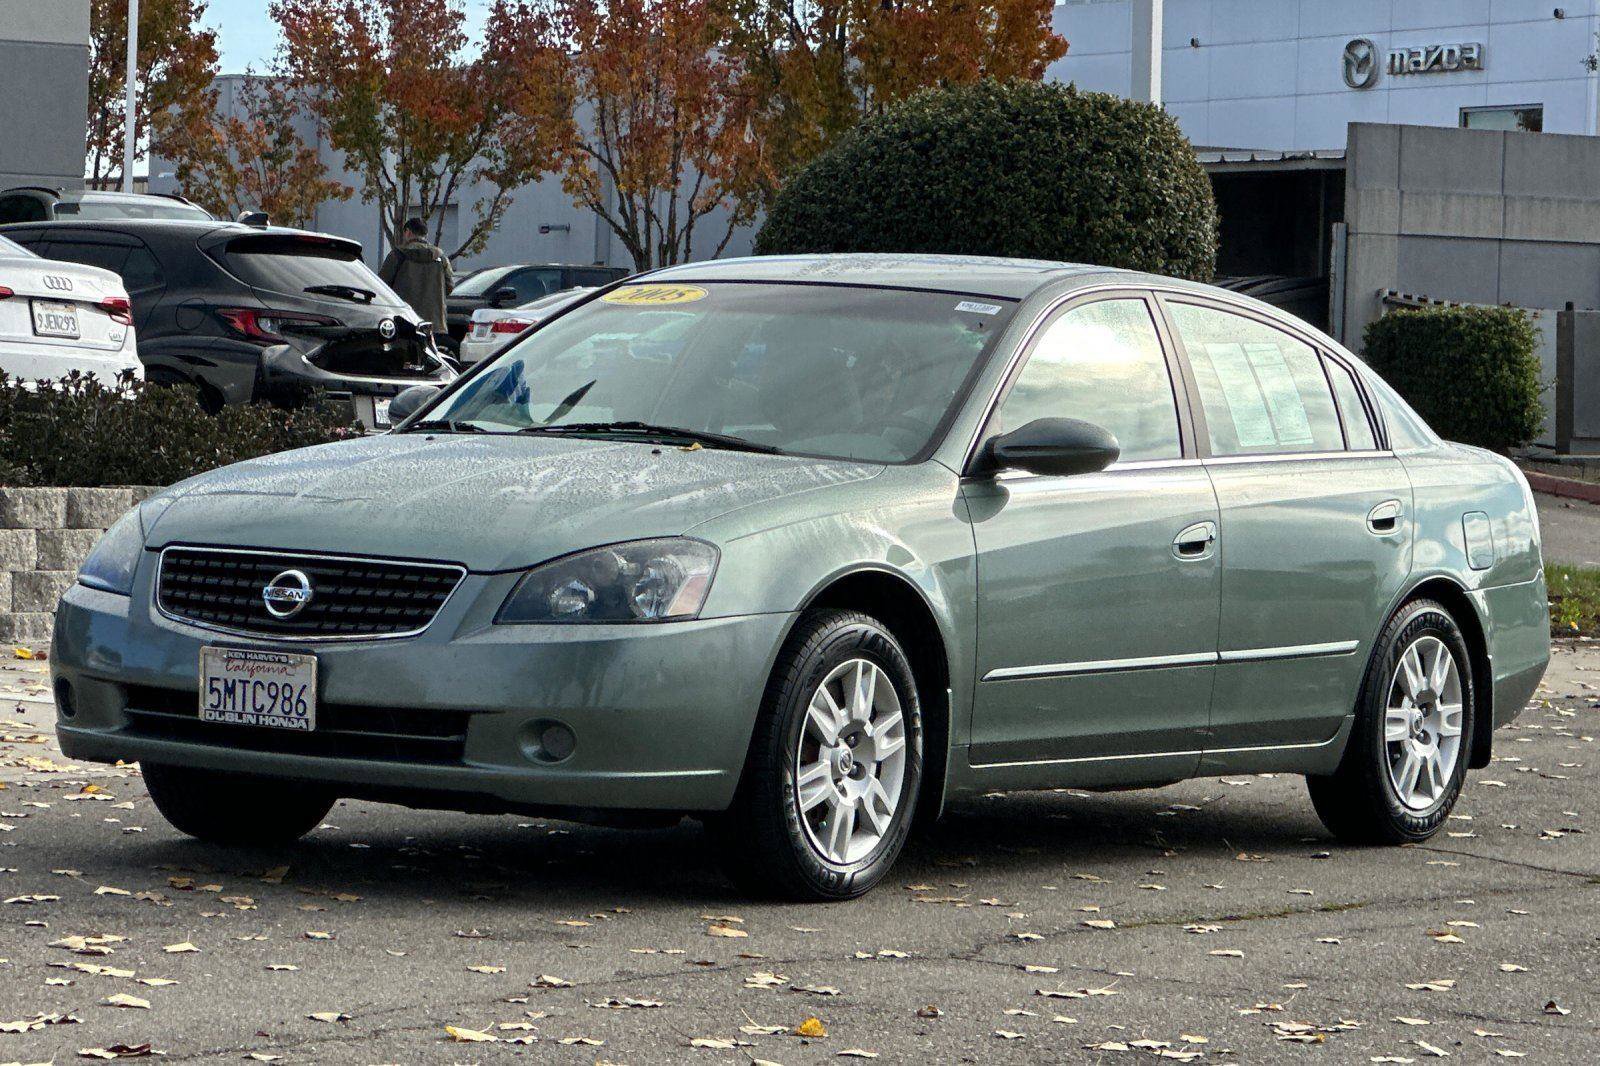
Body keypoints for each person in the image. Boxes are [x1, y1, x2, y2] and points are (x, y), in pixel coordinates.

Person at [379, 217, 454, 334]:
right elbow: (449, 287)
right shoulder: (441, 258)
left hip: (404, 321)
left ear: (408, 232)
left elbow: (382, 286)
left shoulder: (397, 255)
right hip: (435, 324)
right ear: (426, 234)